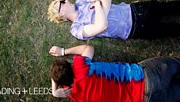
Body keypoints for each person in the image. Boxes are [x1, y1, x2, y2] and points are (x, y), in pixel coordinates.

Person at [49, 44, 180, 102]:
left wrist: (55, 92)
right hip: (146, 75)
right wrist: (63, 51)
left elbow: (57, 77)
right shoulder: (80, 66)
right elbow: (88, 48)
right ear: (70, 65)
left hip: (146, 99)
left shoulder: (75, 96)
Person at [47, 0, 180, 40]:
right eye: (62, 2)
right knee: (172, 29)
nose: (66, 0)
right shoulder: (76, 29)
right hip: (135, 28)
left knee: (170, 6)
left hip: (134, 9)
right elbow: (102, 26)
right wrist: (98, 6)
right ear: (61, 13)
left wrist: (102, 12)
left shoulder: (81, 1)